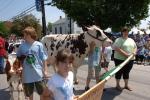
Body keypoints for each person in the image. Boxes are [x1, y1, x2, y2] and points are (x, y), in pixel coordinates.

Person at [16, 27, 48, 100]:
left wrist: (45, 70)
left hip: (38, 74)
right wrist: (20, 67)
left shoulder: (39, 45)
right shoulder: (22, 46)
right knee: (29, 94)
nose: (23, 37)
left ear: (30, 35)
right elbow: (19, 58)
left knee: (42, 92)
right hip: (27, 75)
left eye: (25, 35)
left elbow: (44, 58)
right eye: (23, 35)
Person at [113, 26, 137, 91]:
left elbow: (135, 47)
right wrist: (126, 55)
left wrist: (134, 52)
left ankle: (126, 85)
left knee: (127, 72)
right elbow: (117, 48)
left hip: (130, 59)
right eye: (125, 31)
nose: (126, 33)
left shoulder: (131, 40)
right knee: (119, 72)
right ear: (122, 32)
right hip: (119, 59)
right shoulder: (118, 40)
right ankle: (117, 85)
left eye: (127, 31)